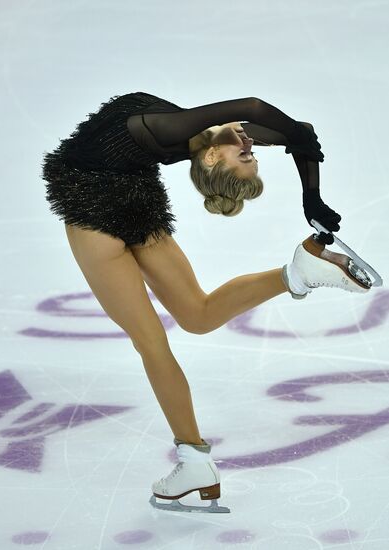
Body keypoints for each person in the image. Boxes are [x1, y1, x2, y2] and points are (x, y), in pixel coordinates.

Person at [41, 91, 369, 513]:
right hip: (129, 200)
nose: (250, 147)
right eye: (251, 154)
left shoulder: (177, 129)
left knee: (156, 339)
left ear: (212, 158)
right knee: (194, 317)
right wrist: (306, 178)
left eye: (244, 156)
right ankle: (298, 273)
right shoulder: (203, 135)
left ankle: (193, 460)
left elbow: (261, 113)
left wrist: (306, 176)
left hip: (99, 214)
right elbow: (293, 130)